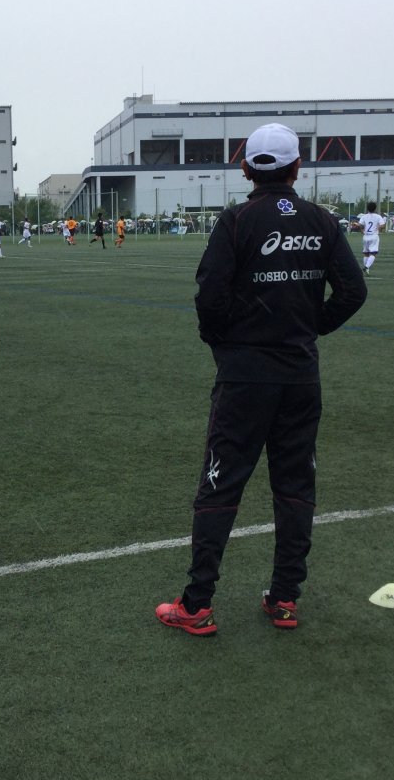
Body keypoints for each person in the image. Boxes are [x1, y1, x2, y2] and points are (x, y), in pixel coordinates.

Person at [155, 123, 367, 637]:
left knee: (220, 484)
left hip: (245, 378)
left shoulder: (236, 220)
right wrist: (311, 326)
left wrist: (224, 345)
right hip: (300, 377)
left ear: (246, 168)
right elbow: (353, 291)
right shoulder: (321, 220)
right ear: (298, 167)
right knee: (295, 486)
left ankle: (197, 605)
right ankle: (285, 598)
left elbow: (210, 296)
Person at [355, 200, 386, 275]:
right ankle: (366, 267)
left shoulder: (364, 216)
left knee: (366, 253)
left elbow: (360, 225)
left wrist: (361, 230)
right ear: (375, 209)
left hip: (365, 236)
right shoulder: (378, 216)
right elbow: (383, 225)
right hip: (374, 236)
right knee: (373, 253)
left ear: (367, 209)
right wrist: (379, 228)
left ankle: (366, 269)